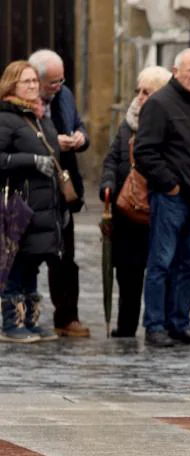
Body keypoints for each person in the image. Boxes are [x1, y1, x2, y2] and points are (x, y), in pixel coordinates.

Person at [134, 48, 190, 348]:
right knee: (161, 263)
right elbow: (145, 152)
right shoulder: (159, 103)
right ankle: (155, 325)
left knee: (189, 264)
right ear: (176, 71)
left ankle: (179, 323)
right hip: (172, 198)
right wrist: (170, 185)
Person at [98, 66, 172, 338]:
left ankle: (159, 323)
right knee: (127, 273)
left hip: (157, 207)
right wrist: (107, 183)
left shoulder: (169, 122)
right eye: (138, 91)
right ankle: (126, 325)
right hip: (125, 208)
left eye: (147, 92)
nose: (140, 97)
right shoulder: (127, 122)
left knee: (159, 269)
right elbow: (112, 158)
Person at [28, 49, 91, 338]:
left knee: (66, 256)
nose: (58, 86)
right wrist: (55, 143)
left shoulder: (64, 95)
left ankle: (67, 317)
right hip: (31, 190)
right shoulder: (19, 102)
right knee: (25, 257)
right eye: (52, 82)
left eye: (61, 79)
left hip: (62, 190)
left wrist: (80, 137)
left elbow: (77, 123)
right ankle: (21, 316)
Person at [0, 61, 63, 342]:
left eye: (34, 81)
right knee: (15, 262)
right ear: (12, 84)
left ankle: (30, 320)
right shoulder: (6, 117)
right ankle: (12, 323)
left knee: (32, 261)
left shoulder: (40, 116)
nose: (31, 86)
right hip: (17, 202)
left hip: (43, 204)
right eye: (25, 81)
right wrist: (32, 161)